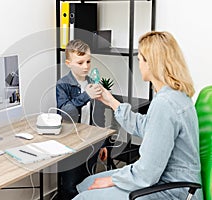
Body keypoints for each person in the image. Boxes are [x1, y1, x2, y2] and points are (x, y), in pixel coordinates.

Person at [73, 31, 203, 200]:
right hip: (167, 180)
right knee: (88, 183)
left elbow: (147, 173)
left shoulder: (165, 104)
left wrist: (111, 180)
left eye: (140, 59)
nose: (139, 63)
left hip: (174, 190)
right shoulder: (175, 94)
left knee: (84, 196)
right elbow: (147, 127)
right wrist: (111, 101)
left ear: (152, 63)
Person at [55, 39, 109, 199]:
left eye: (88, 61)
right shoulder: (63, 84)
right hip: (71, 145)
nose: (86, 66)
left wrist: (103, 143)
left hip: (90, 143)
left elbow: (99, 115)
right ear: (68, 63)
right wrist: (86, 96)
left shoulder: (93, 83)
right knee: (70, 187)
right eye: (80, 62)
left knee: (87, 183)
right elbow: (65, 113)